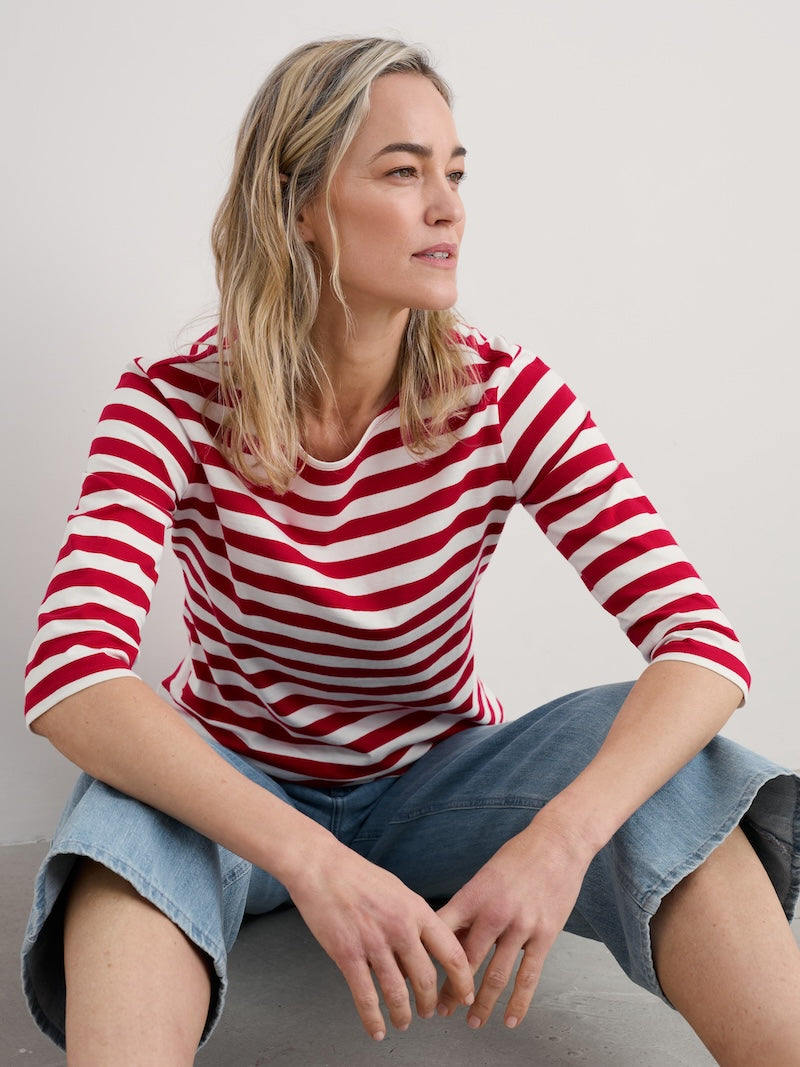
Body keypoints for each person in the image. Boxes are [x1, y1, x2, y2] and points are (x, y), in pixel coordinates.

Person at [21, 35, 800, 1066]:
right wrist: (308, 857)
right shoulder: (170, 396)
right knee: (122, 811)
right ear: (296, 205)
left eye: (454, 171)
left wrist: (555, 840)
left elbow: (700, 644)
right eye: (402, 171)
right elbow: (72, 674)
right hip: (237, 777)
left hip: (438, 777)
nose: (447, 206)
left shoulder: (504, 393)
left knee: (660, 755)